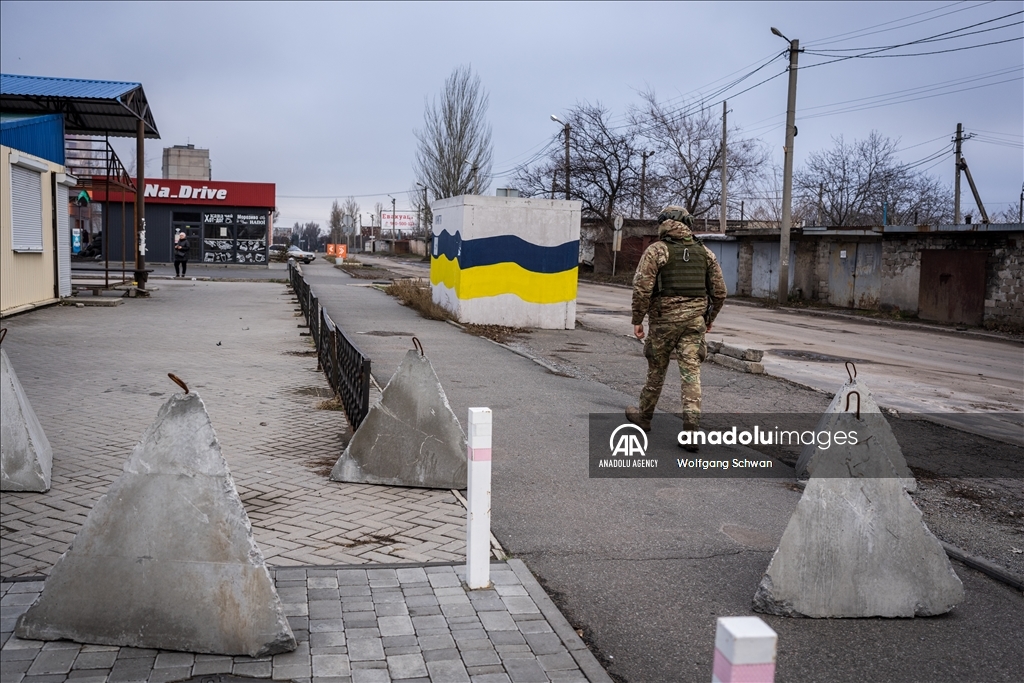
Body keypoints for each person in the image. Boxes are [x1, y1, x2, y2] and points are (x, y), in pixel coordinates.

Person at [626, 205, 727, 451]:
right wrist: (710, 317)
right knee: (691, 375)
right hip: (694, 323)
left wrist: (638, 319)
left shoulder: (656, 251)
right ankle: (691, 433)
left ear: (663, 223)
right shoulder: (705, 253)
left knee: (657, 370)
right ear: (688, 223)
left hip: (663, 323)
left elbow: (642, 289)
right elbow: (721, 292)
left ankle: (644, 417)